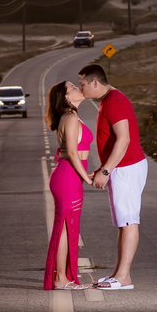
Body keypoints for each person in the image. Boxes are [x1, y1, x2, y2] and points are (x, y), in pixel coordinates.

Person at [78, 63, 147, 290]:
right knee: (123, 223)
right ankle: (118, 274)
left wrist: (106, 171)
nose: (81, 89)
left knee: (128, 221)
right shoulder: (110, 100)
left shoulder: (114, 102)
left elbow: (124, 139)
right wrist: (103, 168)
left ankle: (124, 277)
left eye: (82, 84)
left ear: (94, 82)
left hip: (126, 168)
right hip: (122, 167)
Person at [43, 81, 94, 290]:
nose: (78, 88)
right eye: (73, 87)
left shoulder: (73, 116)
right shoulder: (70, 117)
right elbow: (72, 152)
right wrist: (87, 178)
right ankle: (61, 279)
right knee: (64, 227)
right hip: (67, 177)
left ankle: (62, 277)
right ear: (66, 97)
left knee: (66, 227)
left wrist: (84, 175)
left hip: (71, 177)